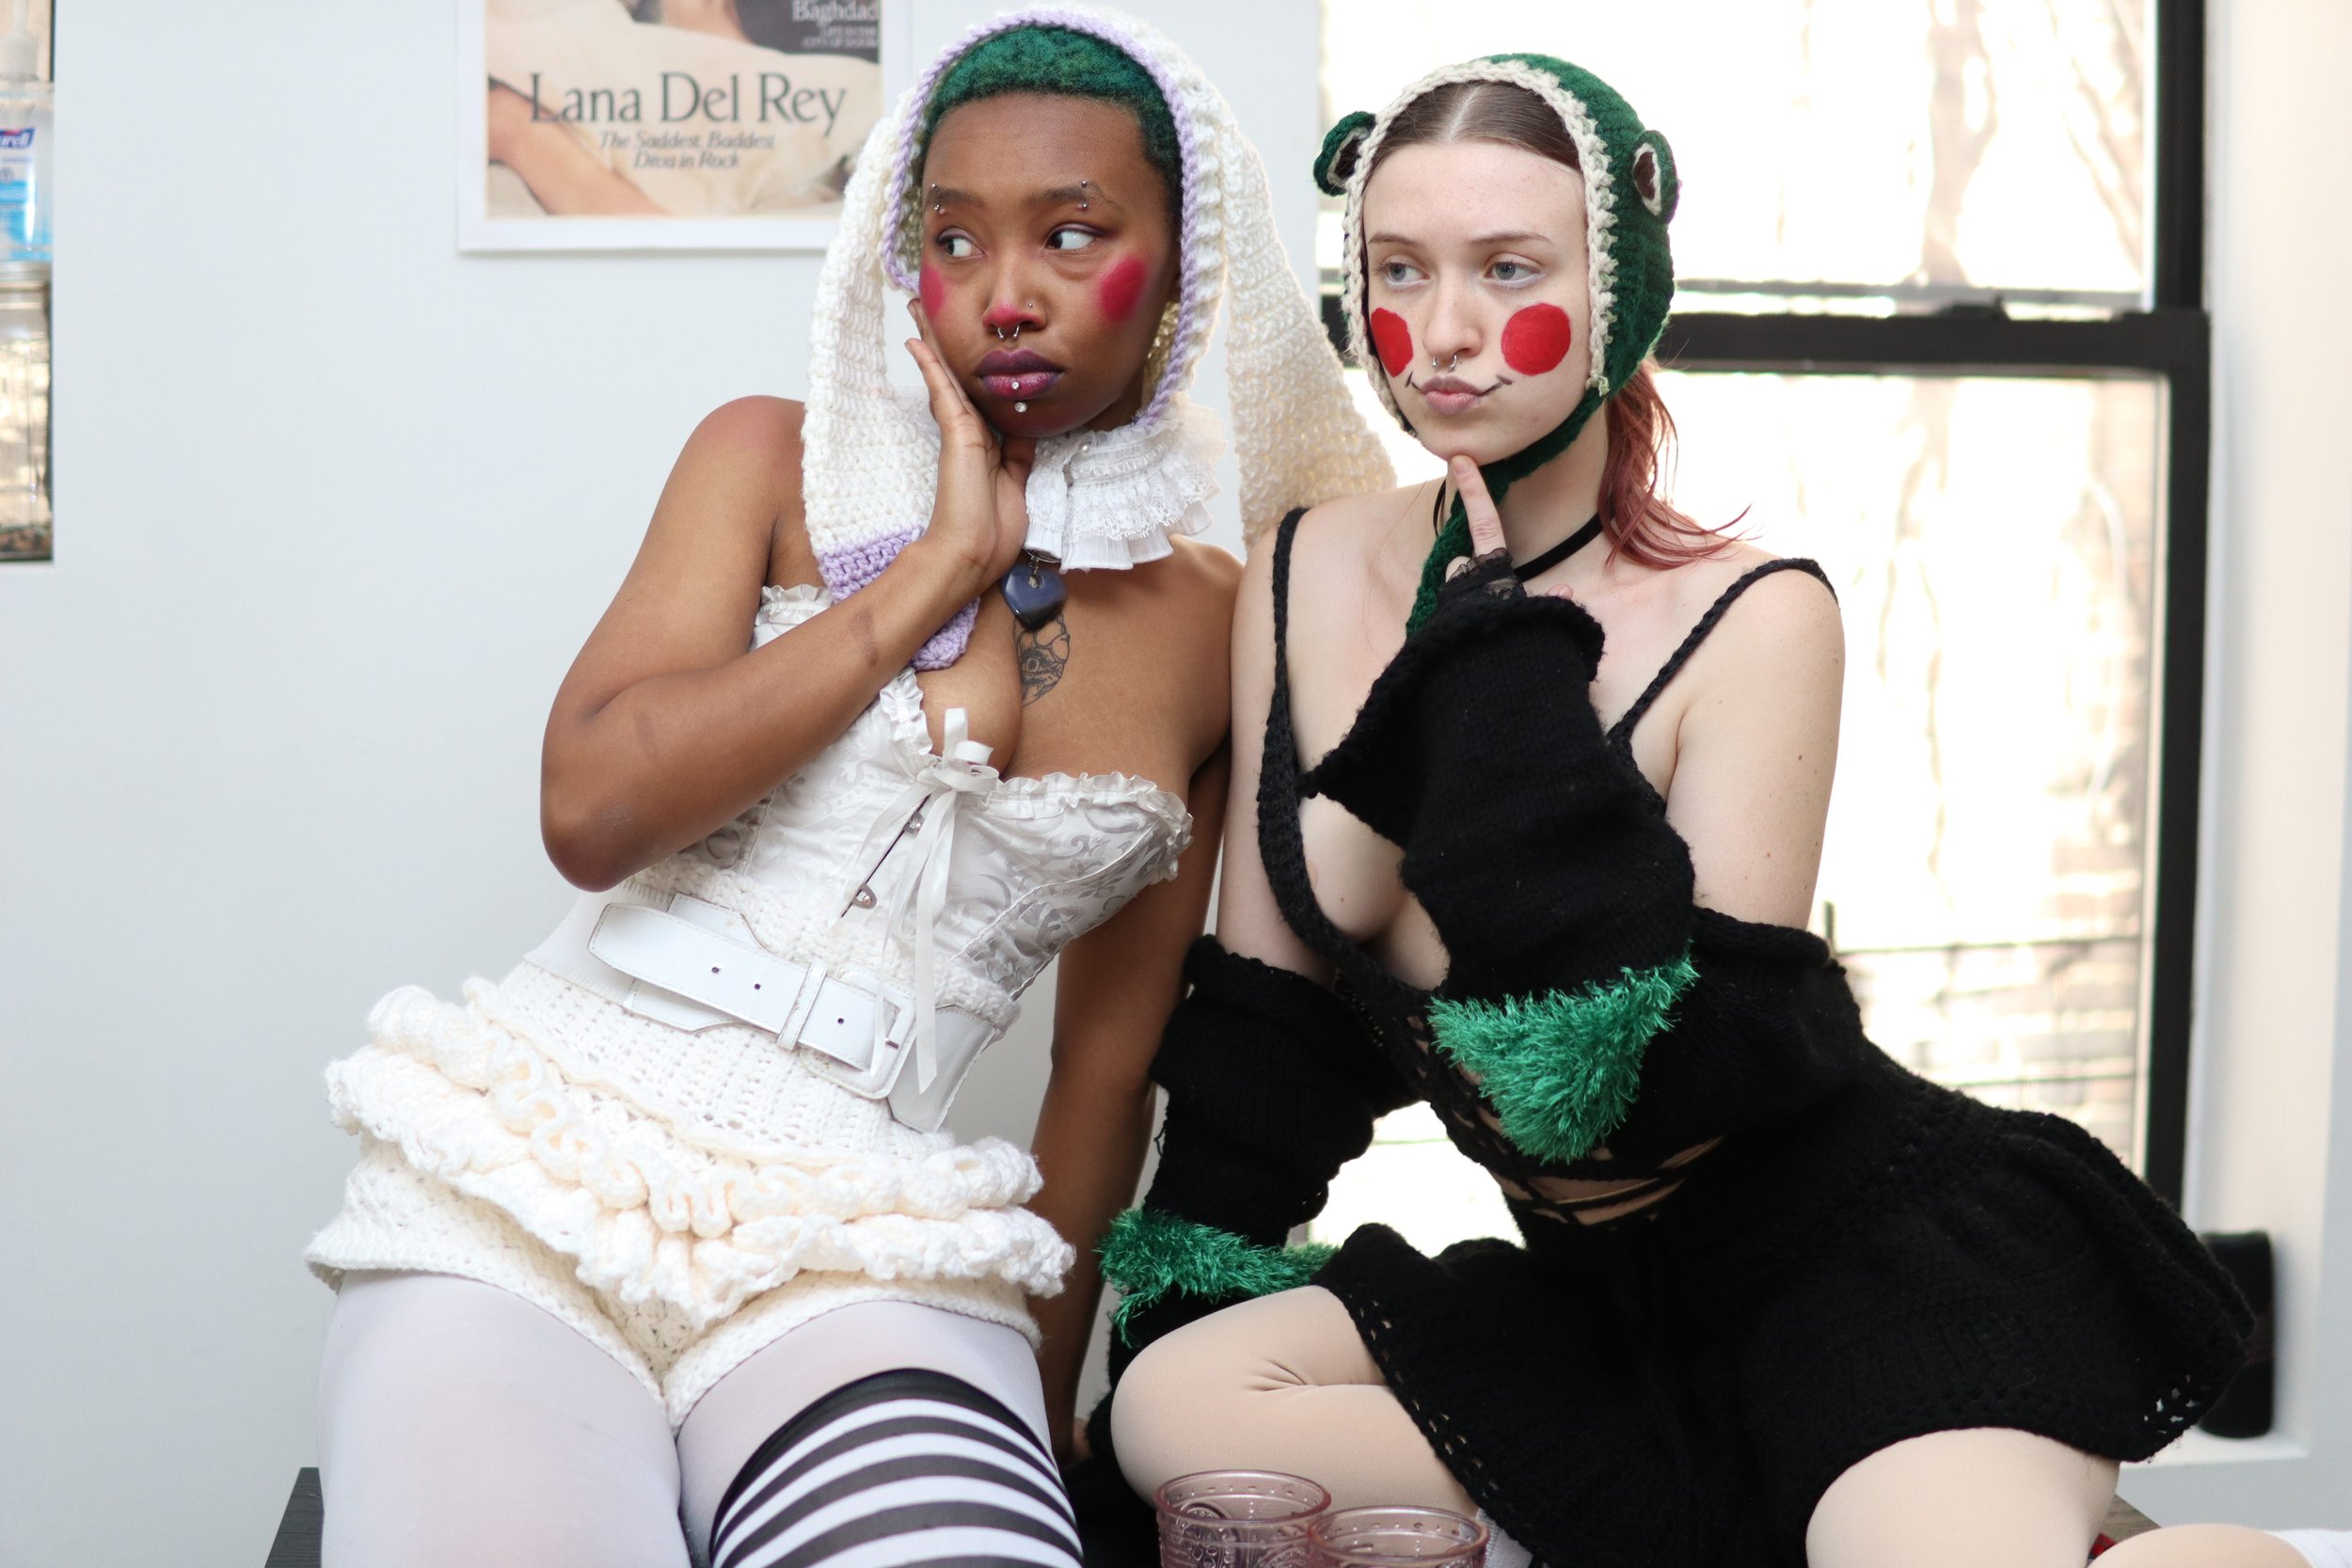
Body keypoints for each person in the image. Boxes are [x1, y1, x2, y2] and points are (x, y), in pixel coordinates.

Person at [1083, 54, 2312, 1568]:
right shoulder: (1300, 567)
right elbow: (1272, 1021)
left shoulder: (1758, 620)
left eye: (1508, 269)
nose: (1444, 332)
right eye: (1400, 269)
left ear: (1619, 297)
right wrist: (1191, 1265)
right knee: (1173, 1413)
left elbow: (1639, 1079)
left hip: (1866, 1277)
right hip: (1602, 1313)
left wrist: (1497, 666)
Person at [304, 11, 1390, 1568]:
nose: (1005, 295)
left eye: (1074, 236)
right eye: (953, 241)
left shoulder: (1225, 619)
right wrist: (932, 573)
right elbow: (591, 813)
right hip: (533, 1186)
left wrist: (1055, 1405)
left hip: (870, 1246)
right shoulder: (765, 461)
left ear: (1189, 261)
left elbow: (1106, 1068)